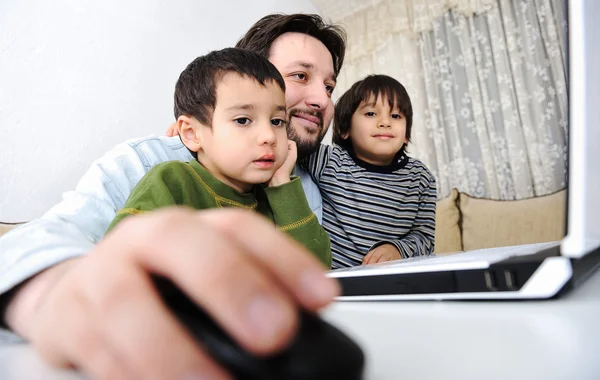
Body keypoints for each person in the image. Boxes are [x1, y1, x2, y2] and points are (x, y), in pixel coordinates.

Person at [0, 14, 345, 380]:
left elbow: (314, 276)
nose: (321, 99)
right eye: (300, 76)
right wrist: (55, 292)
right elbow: (39, 241)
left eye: (329, 86)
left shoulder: (300, 187)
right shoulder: (152, 164)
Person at [107, 48, 331, 266]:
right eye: (243, 120)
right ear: (192, 133)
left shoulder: (276, 198)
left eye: (277, 121)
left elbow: (315, 272)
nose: (269, 136)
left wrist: (282, 183)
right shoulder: (172, 181)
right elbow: (120, 266)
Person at [298, 75, 437, 268]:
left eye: (396, 116)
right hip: (334, 281)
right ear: (346, 129)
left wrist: (397, 249)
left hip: (392, 282)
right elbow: (289, 144)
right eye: (371, 114)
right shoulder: (329, 161)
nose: (385, 122)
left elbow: (425, 238)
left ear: (406, 135)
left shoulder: (421, 178)